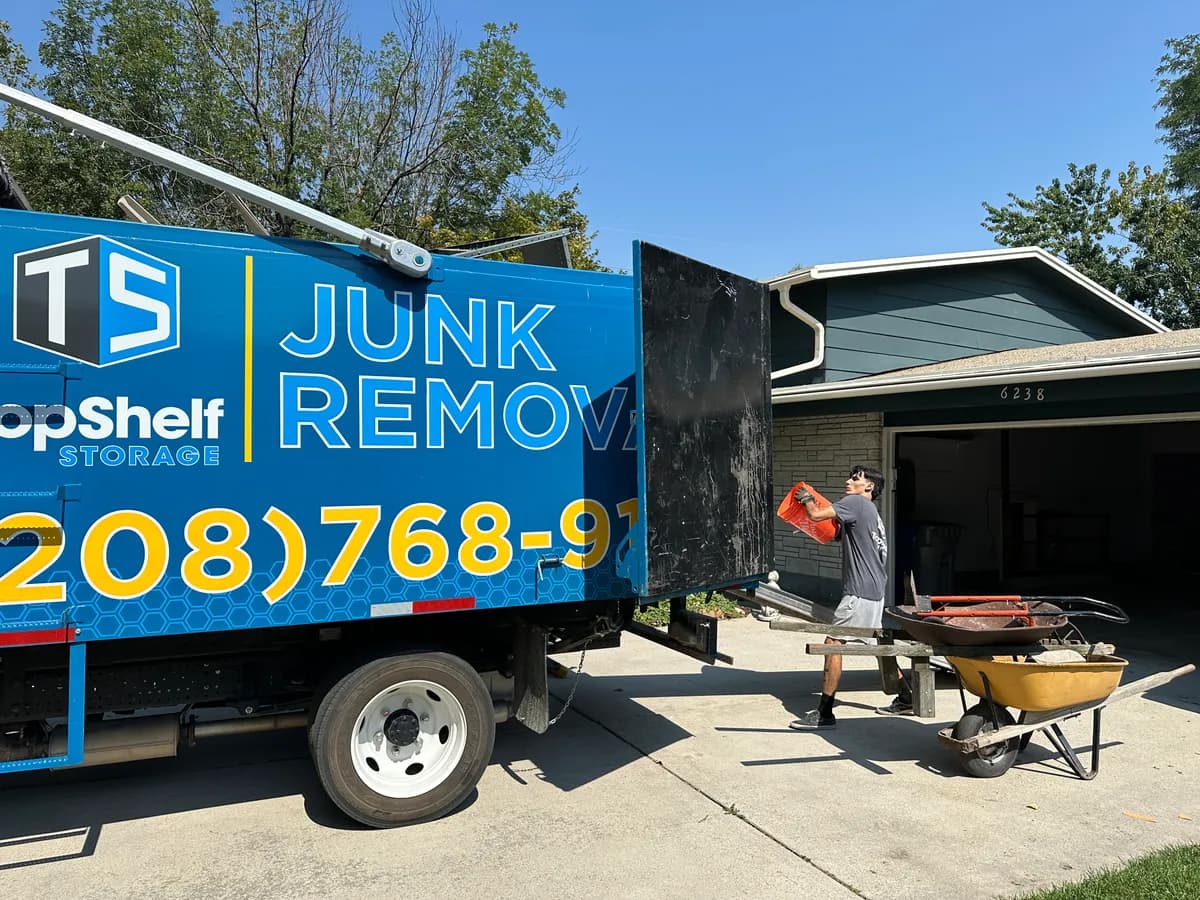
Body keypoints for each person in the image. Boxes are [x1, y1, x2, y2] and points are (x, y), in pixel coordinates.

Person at [788, 465, 912, 728]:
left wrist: (806, 498)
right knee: (879, 646)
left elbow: (817, 514)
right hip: (875, 591)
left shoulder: (855, 502)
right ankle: (906, 697)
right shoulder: (871, 512)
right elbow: (837, 534)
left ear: (868, 487)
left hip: (859, 592)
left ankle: (824, 713)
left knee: (833, 644)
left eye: (855, 479)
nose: (848, 481)